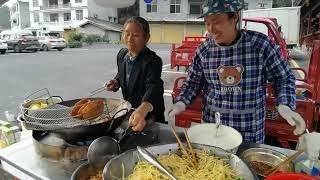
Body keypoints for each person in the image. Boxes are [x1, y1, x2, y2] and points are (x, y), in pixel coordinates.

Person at [168, 0, 320, 160]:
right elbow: (193, 83)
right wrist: (181, 102)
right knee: (211, 169)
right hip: (213, 130)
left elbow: (283, 78)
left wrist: (285, 105)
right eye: (207, 23)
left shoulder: (260, 45)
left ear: (235, 18)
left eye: (217, 22)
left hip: (249, 130)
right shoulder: (204, 51)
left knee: (246, 168)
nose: (211, 29)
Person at [105, 16, 165, 132]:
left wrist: (143, 108)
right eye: (127, 34)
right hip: (130, 111)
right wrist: (116, 82)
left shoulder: (153, 60)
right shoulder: (122, 55)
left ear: (146, 38)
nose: (130, 39)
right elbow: (123, 73)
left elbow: (154, 86)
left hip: (149, 114)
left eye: (136, 35)